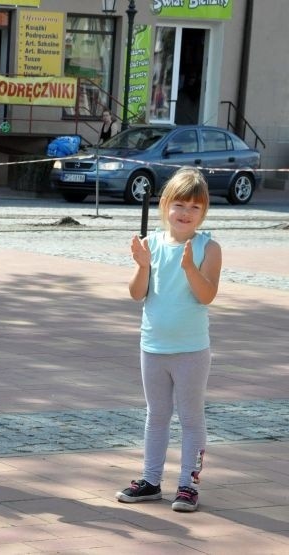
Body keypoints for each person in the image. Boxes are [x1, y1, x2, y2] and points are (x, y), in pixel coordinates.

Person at [116, 167, 221, 513]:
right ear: (164, 205)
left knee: (191, 418)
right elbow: (136, 294)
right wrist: (142, 265)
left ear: (203, 212)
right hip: (153, 347)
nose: (185, 213)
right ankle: (150, 480)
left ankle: (188, 484)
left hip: (191, 350)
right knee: (156, 415)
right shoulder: (152, 245)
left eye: (194, 207)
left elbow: (207, 296)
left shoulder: (210, 248)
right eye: (179, 204)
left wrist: (191, 267)